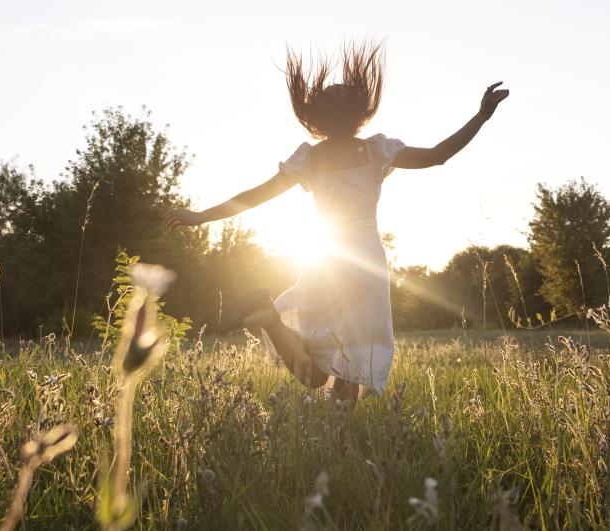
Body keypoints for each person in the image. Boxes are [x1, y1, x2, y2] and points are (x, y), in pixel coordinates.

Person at [165, 41, 509, 400]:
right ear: (360, 113)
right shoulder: (375, 150)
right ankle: (330, 410)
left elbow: (255, 196)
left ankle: (270, 319)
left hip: (326, 262)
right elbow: (438, 155)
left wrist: (201, 217)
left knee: (319, 370)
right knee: (351, 361)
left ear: (317, 118)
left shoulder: (309, 158)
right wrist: (481, 116)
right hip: (365, 264)